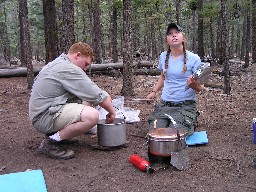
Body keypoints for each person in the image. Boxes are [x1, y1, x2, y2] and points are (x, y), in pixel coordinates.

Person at [29, 42, 116, 160]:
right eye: (85, 64)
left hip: (47, 111)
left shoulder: (61, 63)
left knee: (88, 100)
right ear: (78, 55)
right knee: (92, 116)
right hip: (44, 117)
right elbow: (96, 94)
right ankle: (51, 142)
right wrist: (112, 112)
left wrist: (104, 96)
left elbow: (90, 91)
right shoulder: (68, 68)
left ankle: (57, 134)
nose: (85, 69)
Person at [146, 23, 204, 136]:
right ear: (167, 40)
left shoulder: (194, 59)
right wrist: (153, 92)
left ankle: (189, 120)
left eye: (177, 33)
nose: (174, 36)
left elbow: (200, 87)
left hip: (184, 106)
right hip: (165, 105)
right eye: (170, 34)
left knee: (173, 136)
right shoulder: (163, 56)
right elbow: (163, 77)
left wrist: (193, 85)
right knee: (155, 133)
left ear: (183, 37)